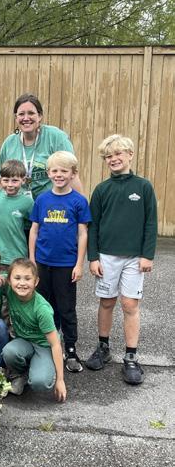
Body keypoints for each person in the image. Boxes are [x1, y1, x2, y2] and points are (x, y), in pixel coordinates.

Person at [85, 135, 157, 385]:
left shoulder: (143, 187)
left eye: (118, 154)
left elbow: (150, 223)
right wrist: (93, 257)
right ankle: (103, 347)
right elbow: (93, 226)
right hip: (107, 256)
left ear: (130, 155)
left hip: (134, 258)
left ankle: (131, 356)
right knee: (107, 302)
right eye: (108, 156)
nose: (113, 159)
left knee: (129, 305)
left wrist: (147, 254)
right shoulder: (102, 189)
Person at [29, 151, 91, 372]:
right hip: (43, 263)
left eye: (64, 171)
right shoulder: (42, 199)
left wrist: (79, 264)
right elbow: (34, 230)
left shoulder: (79, 201)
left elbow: (82, 234)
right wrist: (32, 259)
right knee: (45, 307)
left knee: (66, 309)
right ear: (48, 173)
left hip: (66, 265)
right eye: (54, 170)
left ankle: (71, 350)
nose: (59, 175)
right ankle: (47, 344)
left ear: (73, 174)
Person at [0, 93, 82, 200]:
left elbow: (72, 176)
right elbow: (0, 180)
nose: (26, 118)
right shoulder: (9, 143)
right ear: (16, 118)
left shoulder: (56, 137)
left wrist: (80, 206)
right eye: (21, 114)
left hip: (51, 205)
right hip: (18, 205)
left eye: (31, 113)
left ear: (40, 116)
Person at [2, 258, 66, 402]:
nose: (22, 283)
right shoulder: (9, 289)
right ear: (9, 280)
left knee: (40, 383)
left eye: (27, 279)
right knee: (9, 352)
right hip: (24, 341)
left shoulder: (42, 309)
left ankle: (47, 368)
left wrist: (60, 380)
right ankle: (20, 374)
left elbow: (55, 344)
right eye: (17, 278)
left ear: (36, 282)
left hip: (44, 345)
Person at [0, 159, 34, 269]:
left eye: (14, 181)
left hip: (17, 255)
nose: (10, 185)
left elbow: (33, 228)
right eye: (6, 180)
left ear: (23, 180)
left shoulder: (28, 202)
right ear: (0, 180)